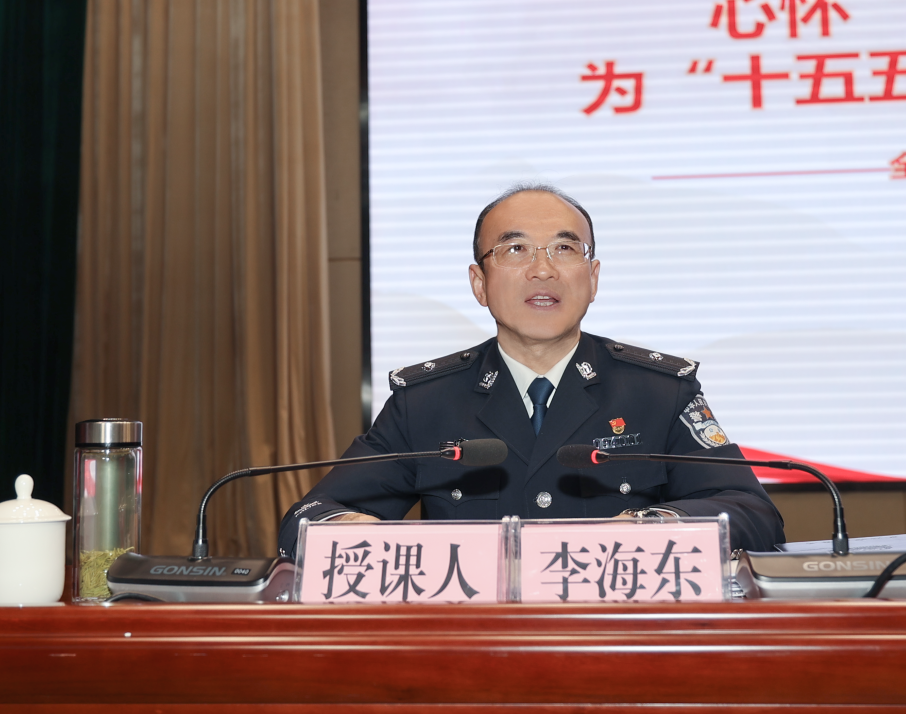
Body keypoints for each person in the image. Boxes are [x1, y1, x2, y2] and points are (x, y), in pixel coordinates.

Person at [277, 184, 784, 556]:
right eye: (515, 249)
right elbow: (307, 518)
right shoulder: (425, 402)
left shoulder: (658, 392)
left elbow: (753, 514)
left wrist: (652, 527)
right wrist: (356, 534)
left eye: (565, 249)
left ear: (593, 278)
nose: (543, 270)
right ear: (479, 283)